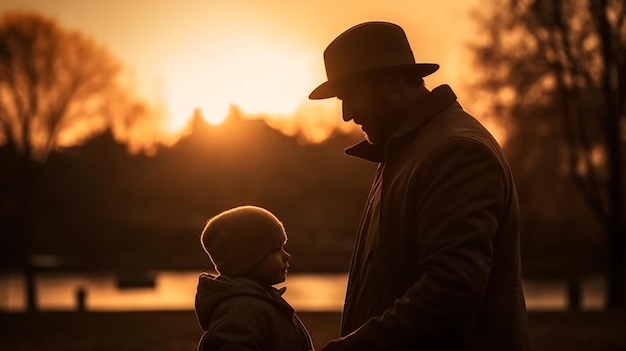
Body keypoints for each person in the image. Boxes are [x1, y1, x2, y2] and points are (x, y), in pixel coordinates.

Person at [309, 22, 530, 350]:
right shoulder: (404, 149)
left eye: (351, 95)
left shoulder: (455, 152)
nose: (346, 114)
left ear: (395, 79)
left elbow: (451, 288)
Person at [194, 205, 314, 351]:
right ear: (249, 260)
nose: (286, 256)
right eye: (277, 249)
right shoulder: (238, 317)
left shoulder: (264, 303)